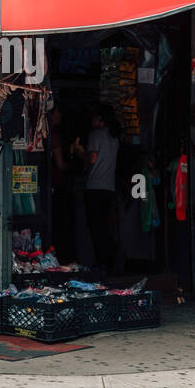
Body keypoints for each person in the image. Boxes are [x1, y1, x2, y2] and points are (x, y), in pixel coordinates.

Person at [73, 104, 122, 275]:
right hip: (109, 187)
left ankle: (104, 260)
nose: (92, 121)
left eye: (95, 118)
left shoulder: (96, 135)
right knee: (104, 227)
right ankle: (110, 259)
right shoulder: (114, 137)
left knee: (96, 227)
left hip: (95, 187)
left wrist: (79, 152)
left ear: (101, 120)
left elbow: (92, 158)